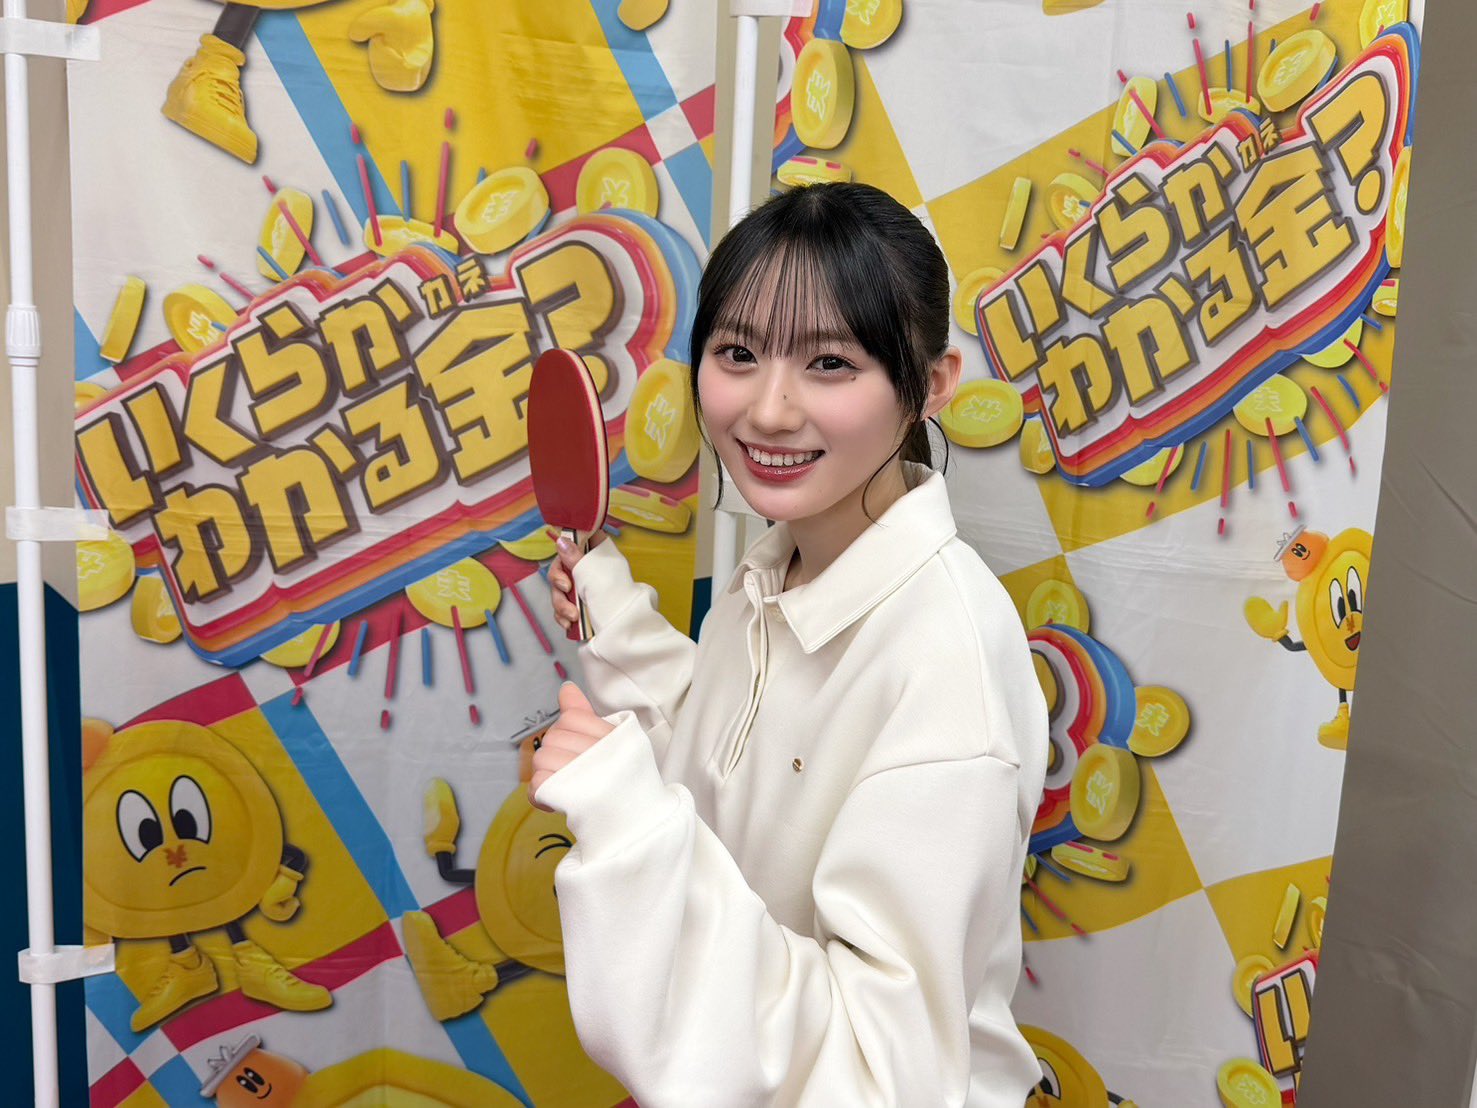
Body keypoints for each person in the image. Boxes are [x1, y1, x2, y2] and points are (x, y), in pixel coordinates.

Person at [531, 181, 1048, 1106]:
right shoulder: (781, 566)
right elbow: (728, 759)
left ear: (931, 385)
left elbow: (874, 1075)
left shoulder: (944, 664)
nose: (768, 410)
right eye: (737, 353)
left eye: (830, 363)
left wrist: (627, 823)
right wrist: (612, 613)